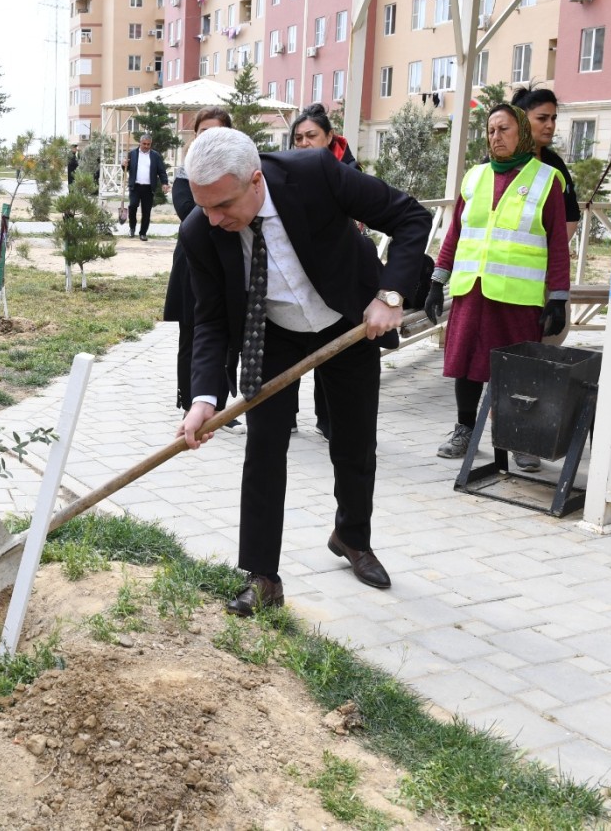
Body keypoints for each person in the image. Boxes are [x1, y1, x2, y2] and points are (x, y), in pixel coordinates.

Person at [176, 128, 430, 613]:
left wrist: (390, 293)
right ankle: (262, 576)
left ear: (255, 181)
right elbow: (209, 319)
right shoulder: (199, 231)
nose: (213, 219)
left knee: (354, 440)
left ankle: (352, 537)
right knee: (265, 448)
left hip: (347, 322)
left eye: (223, 205)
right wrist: (203, 398)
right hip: (272, 333)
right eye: (203, 206)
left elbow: (409, 217)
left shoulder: (313, 174)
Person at [425, 104, 570, 472]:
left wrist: (558, 298)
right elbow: (454, 234)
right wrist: (436, 281)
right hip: (471, 291)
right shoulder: (474, 177)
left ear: (521, 132)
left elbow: (557, 244)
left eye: (504, 129)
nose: (496, 137)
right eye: (490, 130)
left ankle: (520, 439)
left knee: (519, 372)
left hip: (518, 299)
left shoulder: (546, 179)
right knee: (466, 364)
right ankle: (464, 429)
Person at [289, 102, 362, 442]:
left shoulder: (348, 170)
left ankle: (327, 417)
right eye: (298, 137)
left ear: (329, 137)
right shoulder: (287, 169)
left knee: (330, 345)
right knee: (291, 342)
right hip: (295, 270)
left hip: (335, 271)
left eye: (311, 136)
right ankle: (285, 414)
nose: (303, 143)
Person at [164, 106, 239, 430]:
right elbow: (186, 209)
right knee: (191, 332)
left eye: (215, 133)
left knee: (222, 332)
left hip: (228, 264)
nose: (207, 139)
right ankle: (189, 400)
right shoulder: (185, 174)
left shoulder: (237, 173)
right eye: (202, 133)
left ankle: (218, 407)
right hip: (192, 262)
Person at [512, 85, 581, 347]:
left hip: (547, 275)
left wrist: (551, 253)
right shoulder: (494, 165)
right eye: (542, 118)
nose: (550, 125)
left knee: (550, 340)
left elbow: (570, 216)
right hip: (504, 278)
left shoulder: (555, 165)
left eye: (553, 119)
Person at [122, 133, 169, 240]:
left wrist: (164, 183)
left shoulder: (155, 156)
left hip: (148, 188)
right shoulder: (132, 154)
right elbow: (126, 168)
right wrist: (124, 164)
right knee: (132, 206)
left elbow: (162, 171)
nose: (146, 146)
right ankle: (132, 228)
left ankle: (143, 233)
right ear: (140, 143)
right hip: (135, 186)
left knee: (146, 211)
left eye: (148, 144)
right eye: (144, 144)